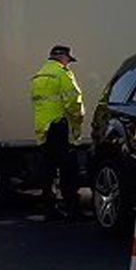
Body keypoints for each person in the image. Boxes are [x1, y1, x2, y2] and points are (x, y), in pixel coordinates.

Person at [30, 44, 86, 220]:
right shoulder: (62, 74)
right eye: (68, 60)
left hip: (44, 128)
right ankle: (72, 209)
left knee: (48, 170)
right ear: (63, 58)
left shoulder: (39, 75)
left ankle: (49, 209)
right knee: (69, 169)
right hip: (60, 127)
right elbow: (73, 101)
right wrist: (79, 118)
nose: (68, 64)